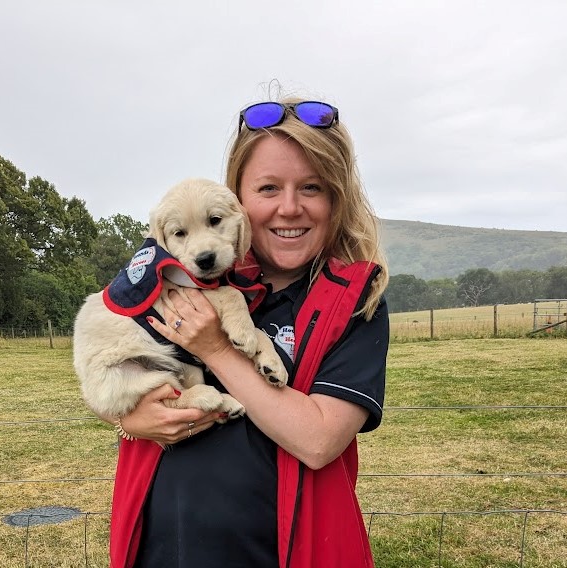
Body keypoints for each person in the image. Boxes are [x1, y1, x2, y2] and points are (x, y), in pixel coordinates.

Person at [105, 97, 389, 568]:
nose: (289, 208)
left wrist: (215, 349)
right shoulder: (179, 271)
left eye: (312, 187)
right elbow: (109, 354)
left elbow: (319, 442)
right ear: (237, 198)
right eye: (268, 188)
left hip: (283, 551)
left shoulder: (354, 301)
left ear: (337, 197)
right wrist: (126, 420)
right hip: (162, 546)